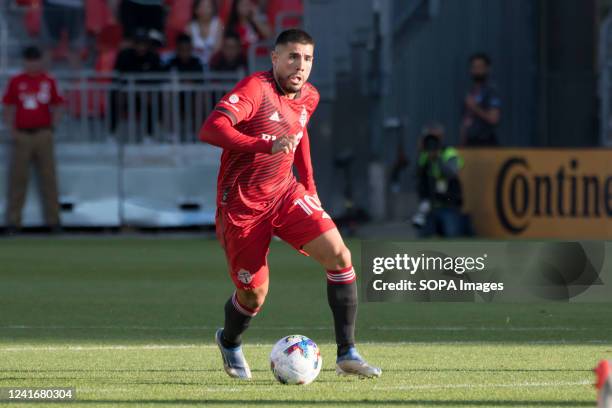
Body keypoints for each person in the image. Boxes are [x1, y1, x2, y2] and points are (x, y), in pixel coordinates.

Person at [199, 28, 381, 380]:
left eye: (308, 58)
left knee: (341, 257)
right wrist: (262, 145)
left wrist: (310, 186)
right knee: (253, 296)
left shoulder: (309, 96)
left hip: (286, 193)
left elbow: (299, 134)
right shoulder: (256, 89)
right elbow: (211, 129)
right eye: (293, 56)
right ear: (275, 58)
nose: (300, 65)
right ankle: (230, 340)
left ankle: (347, 353)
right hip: (242, 207)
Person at [2, 46, 63, 234]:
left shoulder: (49, 80)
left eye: (35, 59)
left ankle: (53, 221)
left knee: (49, 178)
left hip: (43, 133)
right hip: (22, 134)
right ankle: (13, 222)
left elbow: (58, 104)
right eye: (29, 60)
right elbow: (8, 105)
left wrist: (52, 127)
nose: (32, 63)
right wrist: (11, 129)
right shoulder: (16, 81)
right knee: (18, 179)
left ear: (40, 61)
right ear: (24, 61)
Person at [412, 124, 465, 238]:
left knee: (452, 236)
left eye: (434, 138)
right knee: (422, 237)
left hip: (449, 204)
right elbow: (417, 175)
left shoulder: (449, 152)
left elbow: (452, 173)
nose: (432, 143)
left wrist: (438, 158)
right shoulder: (424, 155)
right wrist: (421, 152)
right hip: (430, 206)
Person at [460, 53, 502, 146]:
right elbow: (465, 121)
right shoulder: (470, 93)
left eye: (480, 67)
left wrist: (474, 107)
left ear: (487, 69)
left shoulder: (491, 92)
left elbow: (494, 119)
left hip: (486, 142)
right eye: (474, 67)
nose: (476, 70)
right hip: (470, 142)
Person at [42, 0, 85, 68]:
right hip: (72, 5)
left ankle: (77, 77)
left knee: (48, 46)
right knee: (48, 46)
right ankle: (77, 77)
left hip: (56, 5)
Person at [188, 0, 223, 66]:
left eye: (208, 7)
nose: (205, 10)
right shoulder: (189, 27)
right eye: (202, 6)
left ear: (213, 9)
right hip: (195, 65)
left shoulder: (218, 24)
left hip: (214, 64)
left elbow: (218, 49)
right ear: (196, 9)